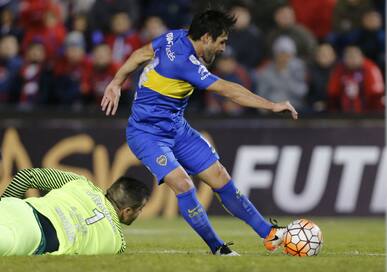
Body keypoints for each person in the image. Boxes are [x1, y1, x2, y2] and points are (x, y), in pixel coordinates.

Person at [101, 9, 298, 256]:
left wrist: (116, 82)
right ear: (206, 37)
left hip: (176, 128)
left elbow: (141, 54)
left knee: (219, 176)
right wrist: (271, 105)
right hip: (146, 134)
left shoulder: (175, 37)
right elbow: (229, 90)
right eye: (222, 42)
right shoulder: (185, 63)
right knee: (183, 185)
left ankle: (269, 234)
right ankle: (218, 248)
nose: (223, 49)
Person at [0, 168, 151, 256]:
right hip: (32, 236)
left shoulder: (80, 182)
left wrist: (4, 204)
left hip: (19, 206)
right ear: (127, 211)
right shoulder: (118, 243)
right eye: (140, 209)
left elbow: (27, 176)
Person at [257, 36, 308, 112]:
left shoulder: (298, 68)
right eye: (281, 54)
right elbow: (261, 95)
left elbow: (302, 92)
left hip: (295, 109)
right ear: (276, 55)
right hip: (273, 111)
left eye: (288, 55)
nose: (284, 58)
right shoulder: (267, 71)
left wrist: (285, 75)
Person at [327, 45, 384, 113]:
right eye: (348, 57)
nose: (352, 59)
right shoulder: (339, 70)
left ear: (362, 57)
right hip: (343, 114)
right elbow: (333, 93)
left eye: (354, 56)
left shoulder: (371, 69)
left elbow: (376, 94)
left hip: (368, 113)